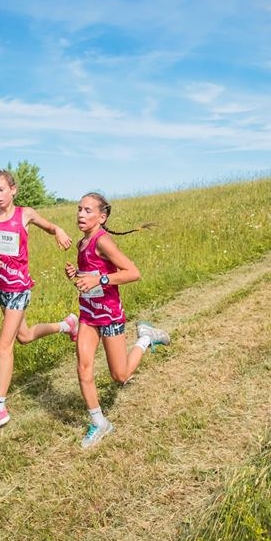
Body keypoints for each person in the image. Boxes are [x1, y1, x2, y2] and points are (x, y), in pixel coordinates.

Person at [0, 170, 77, 433]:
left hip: (19, 288)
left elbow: (50, 226)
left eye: (1, 190)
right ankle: (68, 325)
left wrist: (59, 230)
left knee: (3, 346)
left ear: (13, 190)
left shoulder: (25, 214)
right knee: (24, 336)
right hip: (1, 286)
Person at [64, 192, 170, 448]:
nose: (81, 214)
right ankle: (100, 423)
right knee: (83, 367)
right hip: (88, 312)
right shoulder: (81, 243)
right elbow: (91, 275)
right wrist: (77, 275)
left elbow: (133, 273)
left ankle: (146, 338)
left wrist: (99, 279)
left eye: (88, 210)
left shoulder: (103, 241)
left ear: (102, 217)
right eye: (79, 209)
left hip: (109, 314)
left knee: (120, 375)